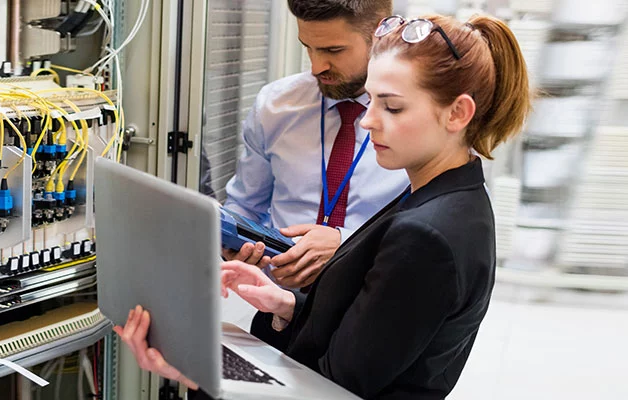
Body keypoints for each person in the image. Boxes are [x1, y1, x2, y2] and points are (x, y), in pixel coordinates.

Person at [115, 13, 532, 399]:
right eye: (371, 101)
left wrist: (193, 371)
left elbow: (330, 392)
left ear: (458, 113)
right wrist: (286, 307)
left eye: (392, 106)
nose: (367, 120)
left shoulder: (427, 235)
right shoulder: (441, 195)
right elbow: (371, 337)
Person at [221, 0, 409, 288]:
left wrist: (347, 244)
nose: (316, 66)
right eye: (307, 46)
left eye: (333, 50)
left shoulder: (421, 122)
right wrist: (235, 244)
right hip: (269, 299)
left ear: (380, 34)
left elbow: (443, 232)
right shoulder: (275, 106)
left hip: (371, 305)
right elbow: (246, 204)